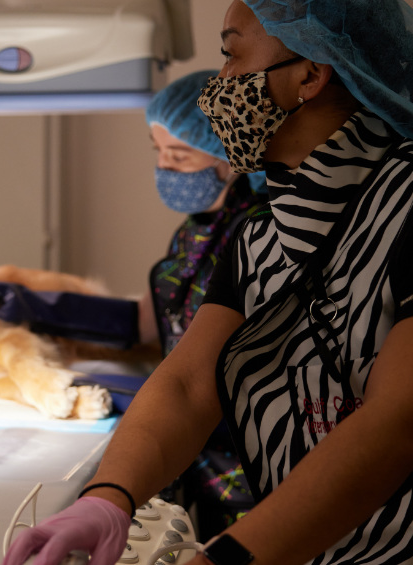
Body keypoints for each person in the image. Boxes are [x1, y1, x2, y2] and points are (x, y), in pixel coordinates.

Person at [4, 1, 413, 565]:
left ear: (310, 75)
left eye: (231, 55)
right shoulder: (261, 234)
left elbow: (402, 422)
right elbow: (189, 385)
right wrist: (108, 497)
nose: (218, 84)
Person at [141, 69, 265, 540]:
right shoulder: (193, 231)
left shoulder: (259, 231)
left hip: (246, 461)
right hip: (201, 456)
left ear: (229, 156)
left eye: (179, 155)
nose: (164, 167)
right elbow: (163, 320)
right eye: (158, 152)